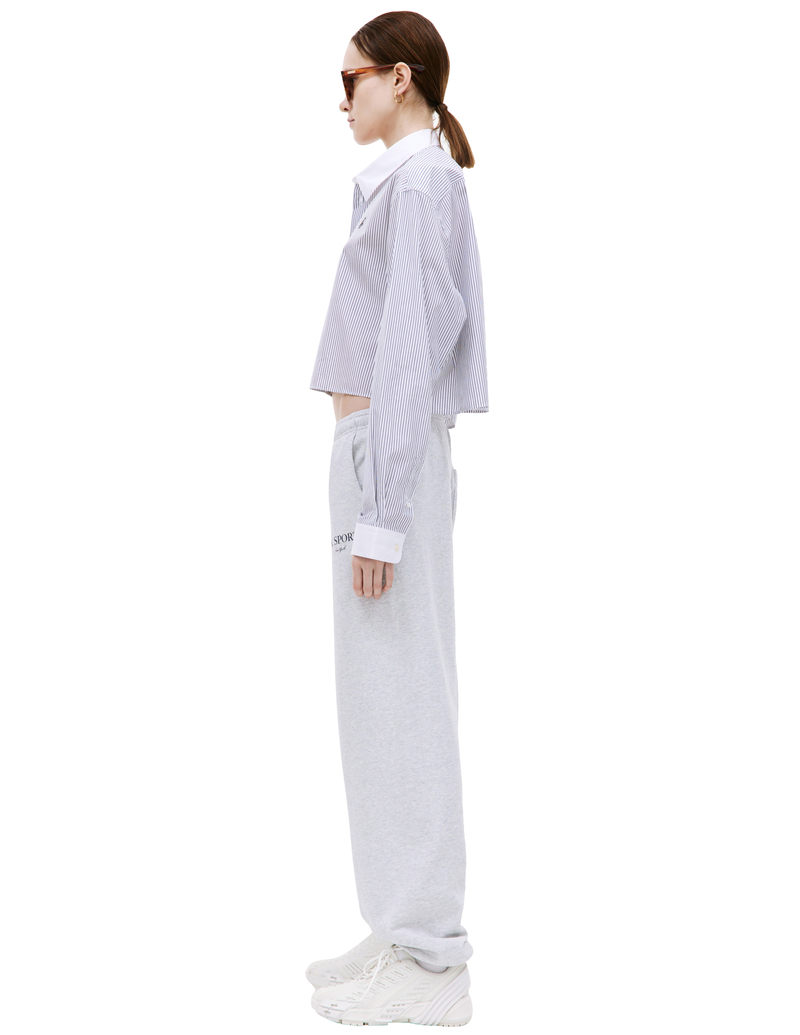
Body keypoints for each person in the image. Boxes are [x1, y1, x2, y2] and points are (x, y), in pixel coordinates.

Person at [306, 11, 489, 1027]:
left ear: (401, 78)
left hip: (389, 458)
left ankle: (429, 954)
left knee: (400, 697)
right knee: (381, 698)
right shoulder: (405, 181)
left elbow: (417, 337)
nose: (342, 99)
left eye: (352, 80)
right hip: (379, 454)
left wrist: (380, 512)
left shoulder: (418, 182)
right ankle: (403, 926)